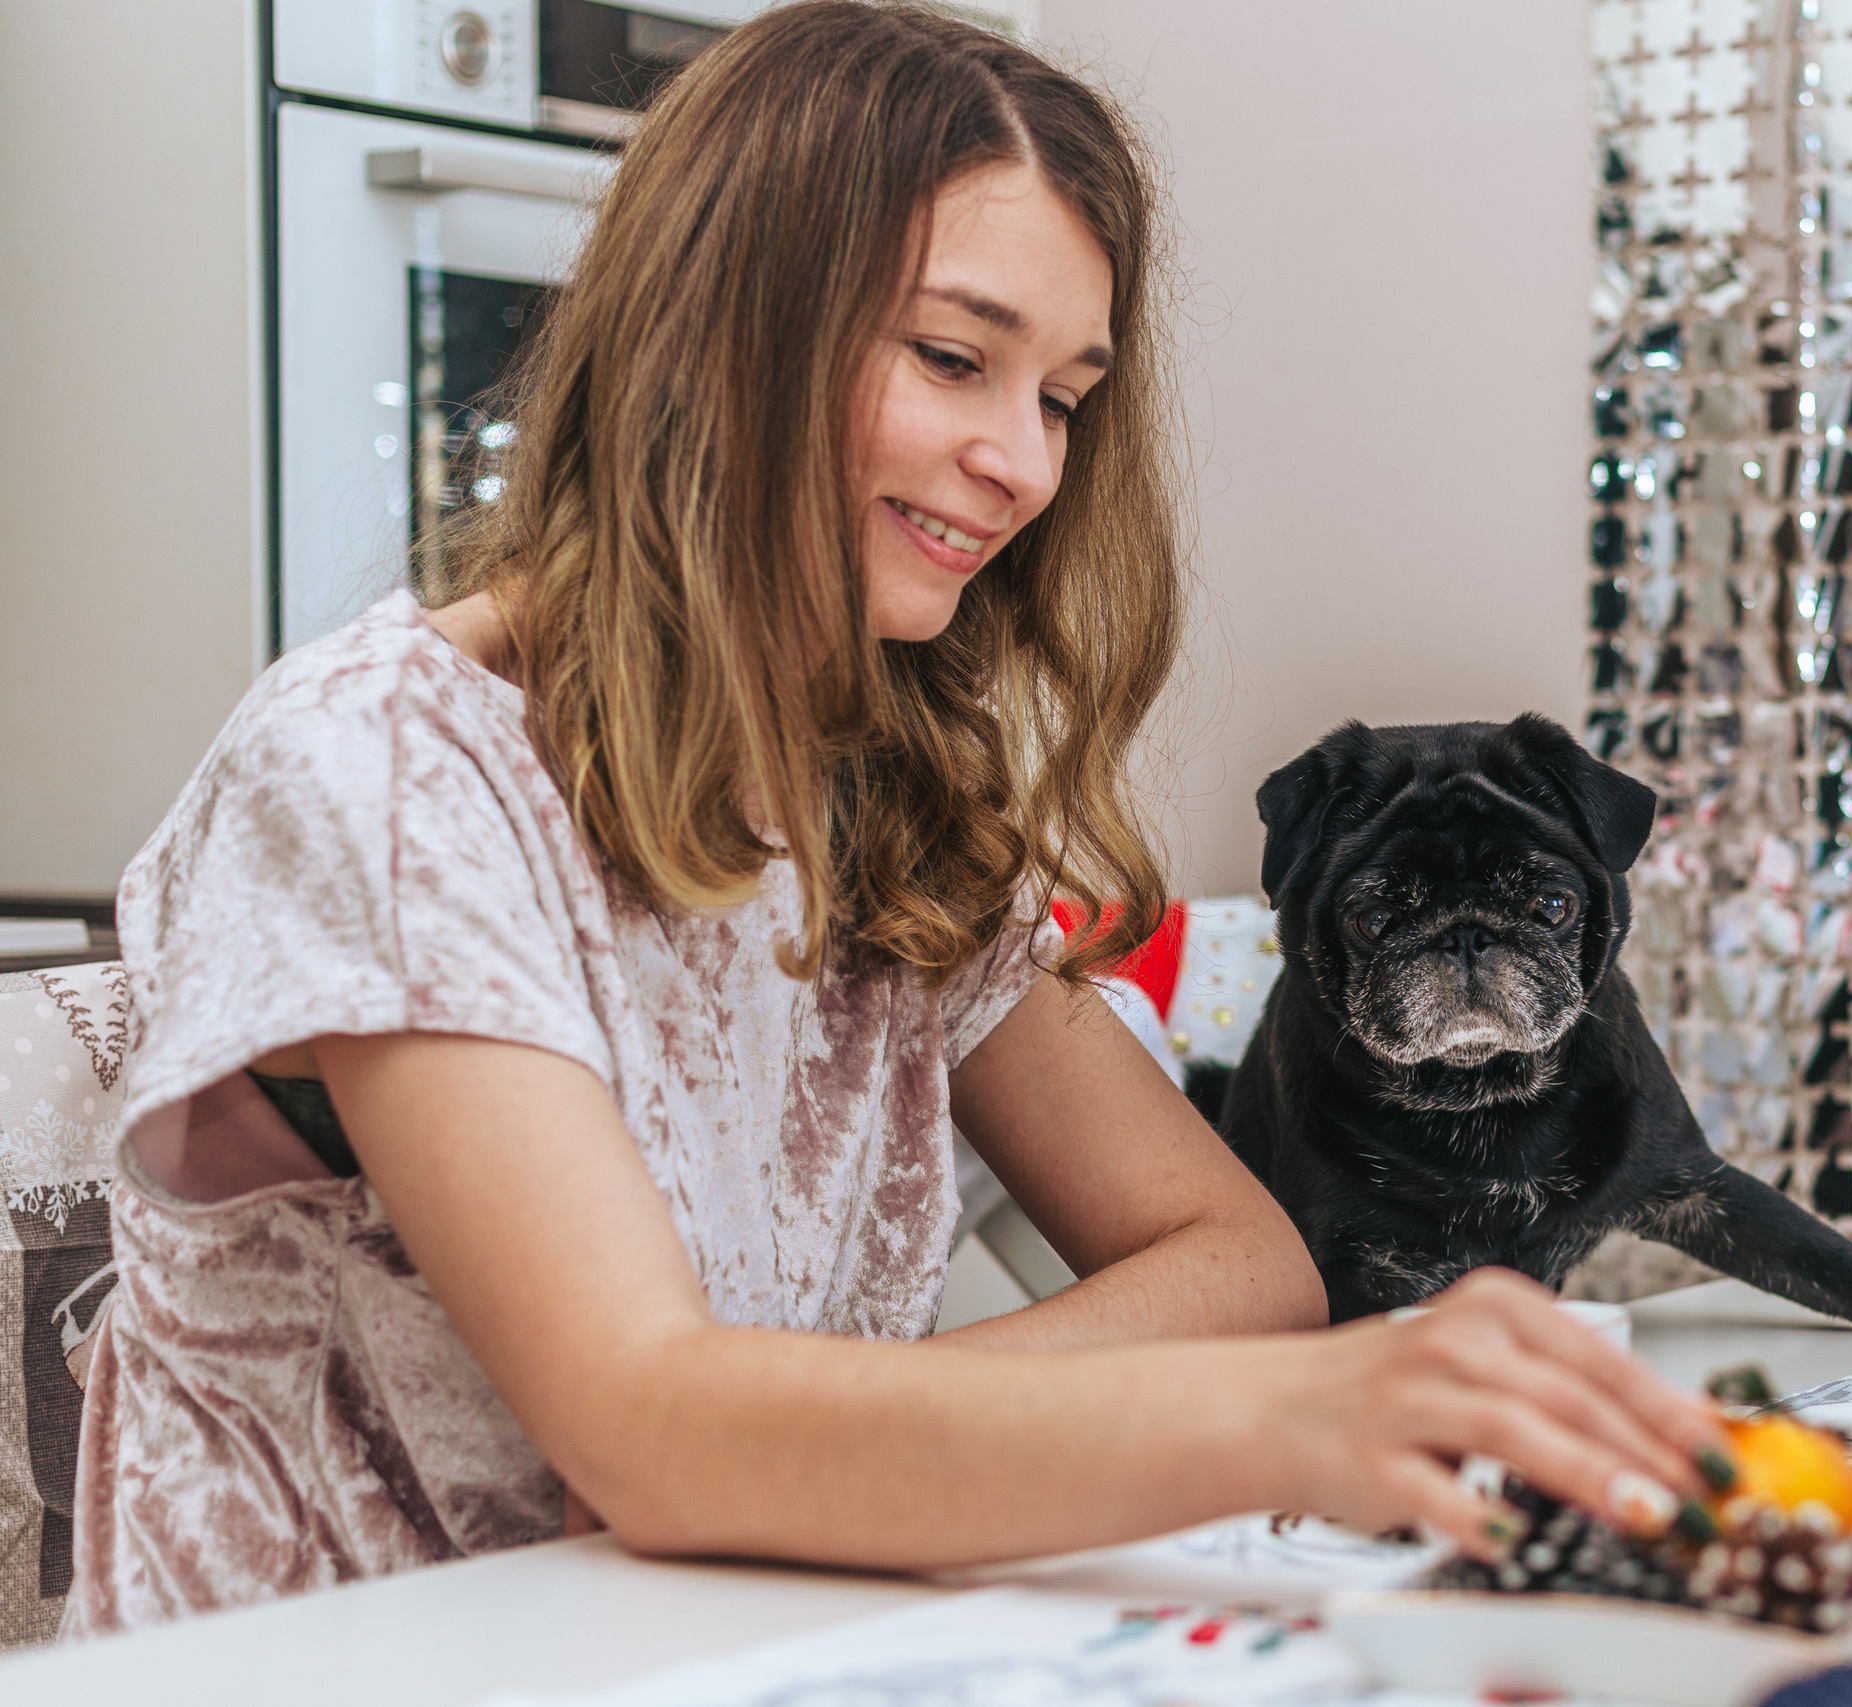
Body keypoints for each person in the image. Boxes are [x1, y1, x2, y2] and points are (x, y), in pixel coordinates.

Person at [66, 1, 1724, 1634]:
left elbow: (1240, 1262)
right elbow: (651, 1438)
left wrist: (800, 1449)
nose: (1026, 465)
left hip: (734, 1645)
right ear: (720, 331)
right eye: (952, 358)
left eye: (1063, 395)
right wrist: (1269, 1422)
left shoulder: (878, 795)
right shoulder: (381, 768)